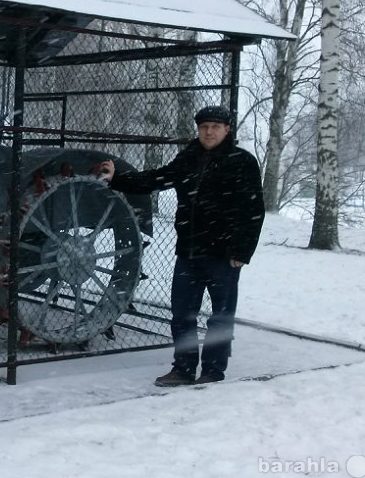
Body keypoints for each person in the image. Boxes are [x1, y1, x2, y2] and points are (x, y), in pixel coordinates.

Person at [99, 105, 265, 386]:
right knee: (182, 314)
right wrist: (118, 178)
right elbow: (156, 179)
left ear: (227, 130)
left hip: (224, 255)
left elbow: (253, 211)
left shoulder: (242, 162)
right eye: (203, 127)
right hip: (189, 251)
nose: (209, 132)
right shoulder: (189, 158)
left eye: (215, 127)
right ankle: (183, 369)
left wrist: (241, 251)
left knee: (220, 316)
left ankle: (213, 371)